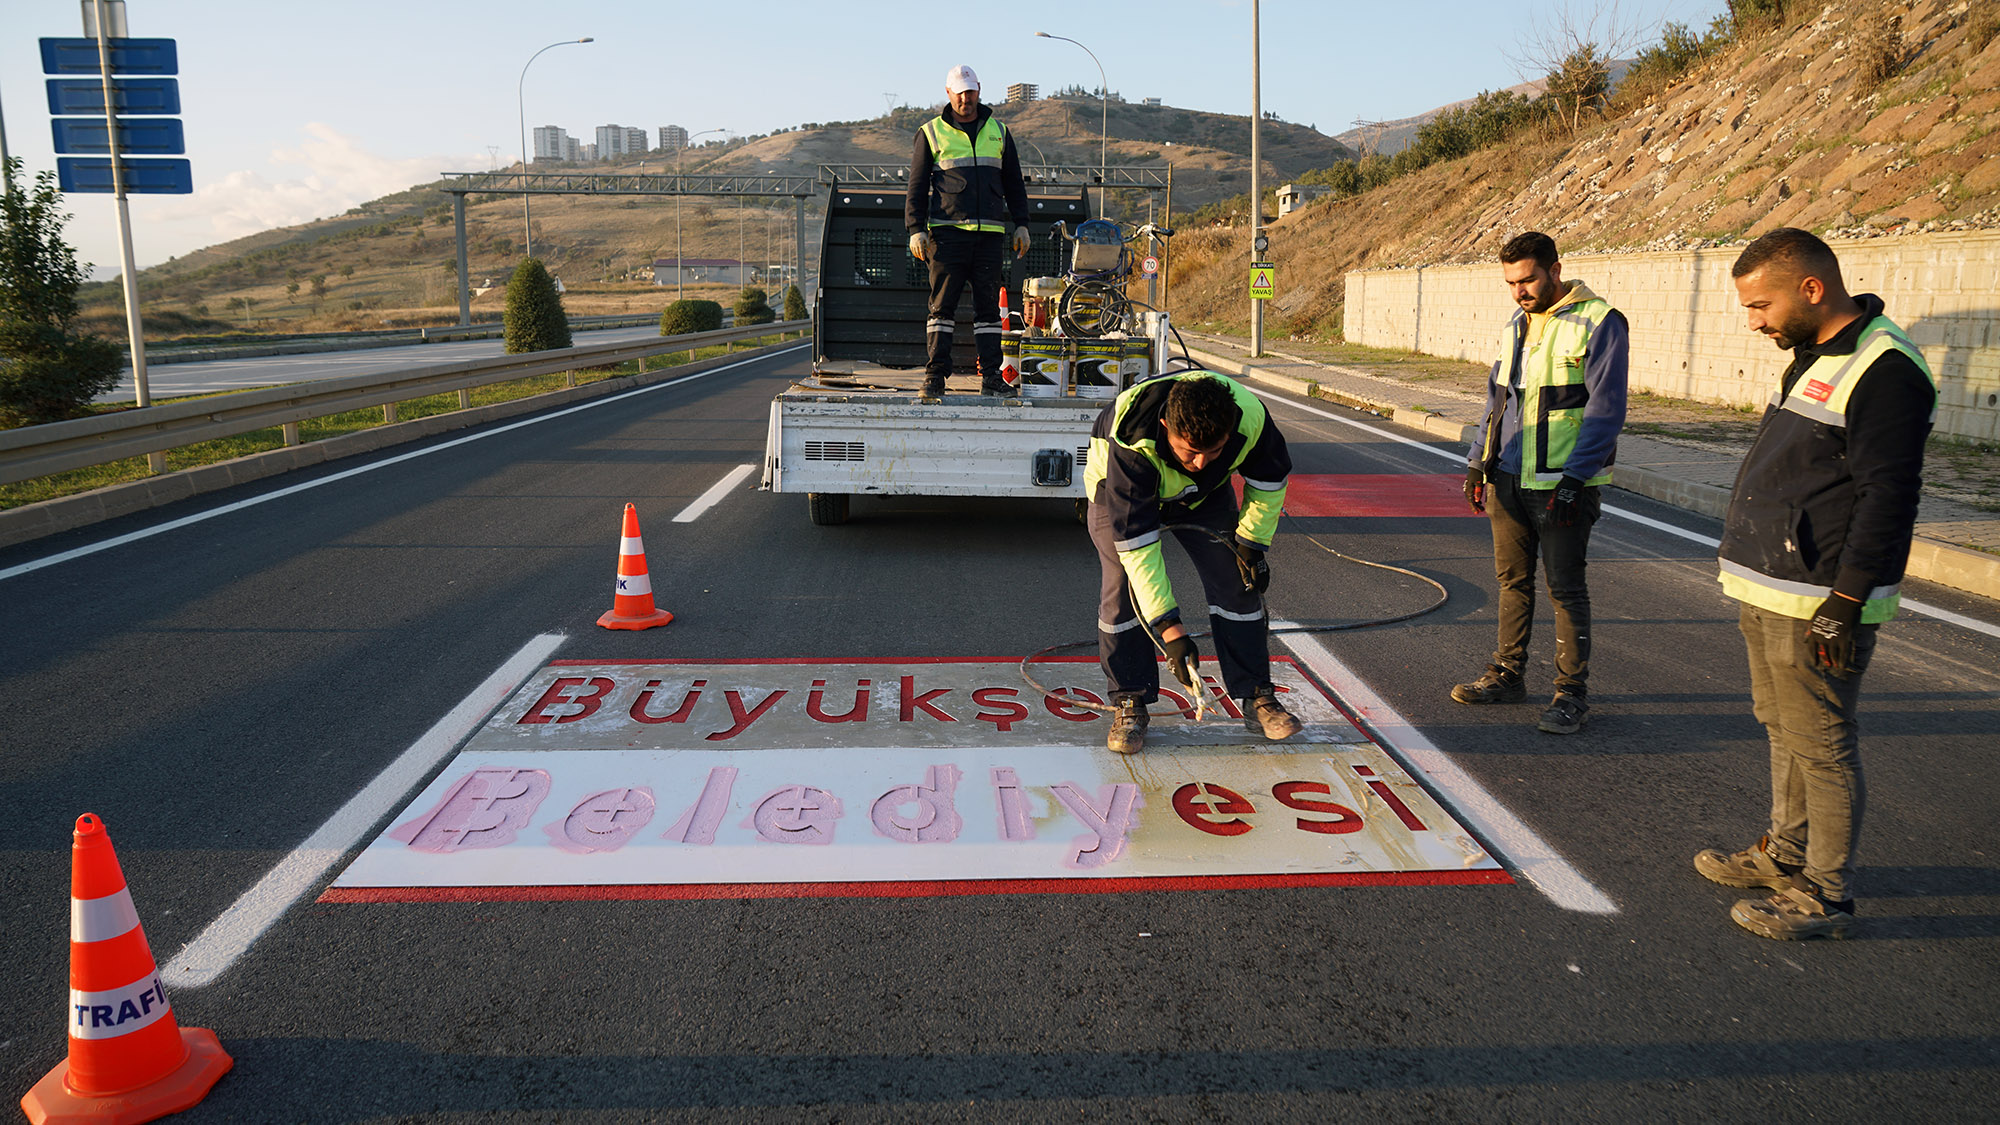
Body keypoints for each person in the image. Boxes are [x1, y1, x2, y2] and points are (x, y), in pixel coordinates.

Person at [1696, 227, 1935, 941]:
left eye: (1761, 305)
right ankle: (1786, 852)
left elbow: (1888, 494)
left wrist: (1848, 599)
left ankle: (1825, 892)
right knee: (1783, 726)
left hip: (1821, 599)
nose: (1755, 321)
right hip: (1773, 586)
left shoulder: (1886, 366)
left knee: (1823, 740)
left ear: (1811, 288)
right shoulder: (1816, 354)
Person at [1455, 231, 1629, 735]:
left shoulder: (1600, 322)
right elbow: (1497, 401)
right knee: (1513, 582)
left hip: (1562, 485)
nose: (1519, 291)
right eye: (1511, 282)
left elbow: (1605, 411)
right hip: (1508, 477)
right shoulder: (1516, 324)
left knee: (1565, 589)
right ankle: (1508, 675)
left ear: (1556, 269)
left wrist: (1575, 482)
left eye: (1527, 279)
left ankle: (1571, 694)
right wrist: (1477, 462)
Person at [1084, 371, 1303, 755]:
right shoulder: (1132, 441)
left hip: (1204, 499)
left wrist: (1252, 542)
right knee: (1123, 589)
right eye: (1189, 451)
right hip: (1118, 493)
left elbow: (1268, 479)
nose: (1201, 462)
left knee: (1237, 582)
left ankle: (1257, 695)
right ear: (1167, 426)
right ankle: (1130, 700)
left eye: (1214, 451)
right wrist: (1172, 633)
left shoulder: (1250, 419)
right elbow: (1139, 550)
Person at [904, 64, 1032, 399]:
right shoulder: (931, 133)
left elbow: (1014, 183)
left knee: (988, 312)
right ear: (948, 93)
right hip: (946, 237)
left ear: (979, 90)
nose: (966, 98)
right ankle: (935, 378)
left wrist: (1022, 223)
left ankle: (991, 377)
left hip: (989, 236)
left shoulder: (999, 132)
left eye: (971, 91)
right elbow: (916, 187)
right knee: (941, 310)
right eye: (959, 92)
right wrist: (916, 228)